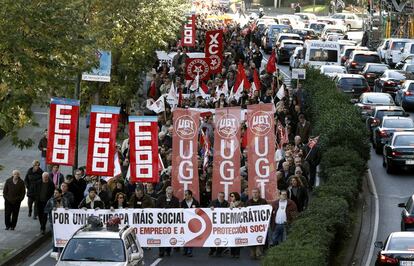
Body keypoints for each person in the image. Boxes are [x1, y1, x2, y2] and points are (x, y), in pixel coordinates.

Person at [156, 186, 180, 257]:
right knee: (161, 236)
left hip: (171, 222)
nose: (169, 194)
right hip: (162, 221)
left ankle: (168, 250)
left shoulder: (176, 200)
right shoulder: (161, 198)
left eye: (171, 193)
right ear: (166, 192)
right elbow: (156, 207)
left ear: (172, 193)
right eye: (168, 193)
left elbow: (177, 209)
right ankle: (161, 251)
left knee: (169, 235)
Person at [45, 188, 70, 253]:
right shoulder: (51, 200)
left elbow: (70, 208)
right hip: (53, 222)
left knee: (63, 235)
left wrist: (67, 208)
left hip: (63, 222)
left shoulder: (65, 200)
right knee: (54, 236)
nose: (54, 194)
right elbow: (45, 209)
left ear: (60, 194)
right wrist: (51, 209)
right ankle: (55, 251)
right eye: (54, 193)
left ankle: (62, 250)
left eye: (56, 193)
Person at [246, 188, 268, 259]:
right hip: (251, 224)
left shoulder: (263, 201)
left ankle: (259, 253)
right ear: (252, 194)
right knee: (252, 238)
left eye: (256, 192)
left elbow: (266, 211)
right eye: (253, 192)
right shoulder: (248, 202)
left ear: (259, 193)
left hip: (260, 224)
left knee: (260, 238)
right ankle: (253, 252)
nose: (255, 194)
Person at [208, 192, 229, 257]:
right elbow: (207, 210)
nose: (221, 197)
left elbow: (229, 212)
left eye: (222, 196)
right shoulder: (213, 202)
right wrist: (210, 208)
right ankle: (212, 249)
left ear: (224, 197)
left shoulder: (226, 203)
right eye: (219, 196)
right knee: (212, 237)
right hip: (214, 224)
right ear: (217, 196)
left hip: (222, 224)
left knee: (221, 237)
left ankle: (219, 252)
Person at [180, 190, 200, 257]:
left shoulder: (196, 202)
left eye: (186, 194)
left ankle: (190, 251)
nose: (185, 196)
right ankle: (185, 250)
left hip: (193, 222)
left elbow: (199, 211)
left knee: (191, 236)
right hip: (185, 222)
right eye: (184, 194)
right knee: (185, 236)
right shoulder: (182, 202)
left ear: (190, 195)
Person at [229, 192, 243, 258]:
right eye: (231, 196)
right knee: (232, 238)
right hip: (232, 223)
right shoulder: (230, 204)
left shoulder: (241, 203)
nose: (231, 197)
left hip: (239, 224)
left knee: (238, 238)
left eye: (232, 196)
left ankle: (237, 253)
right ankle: (232, 253)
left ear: (236, 197)